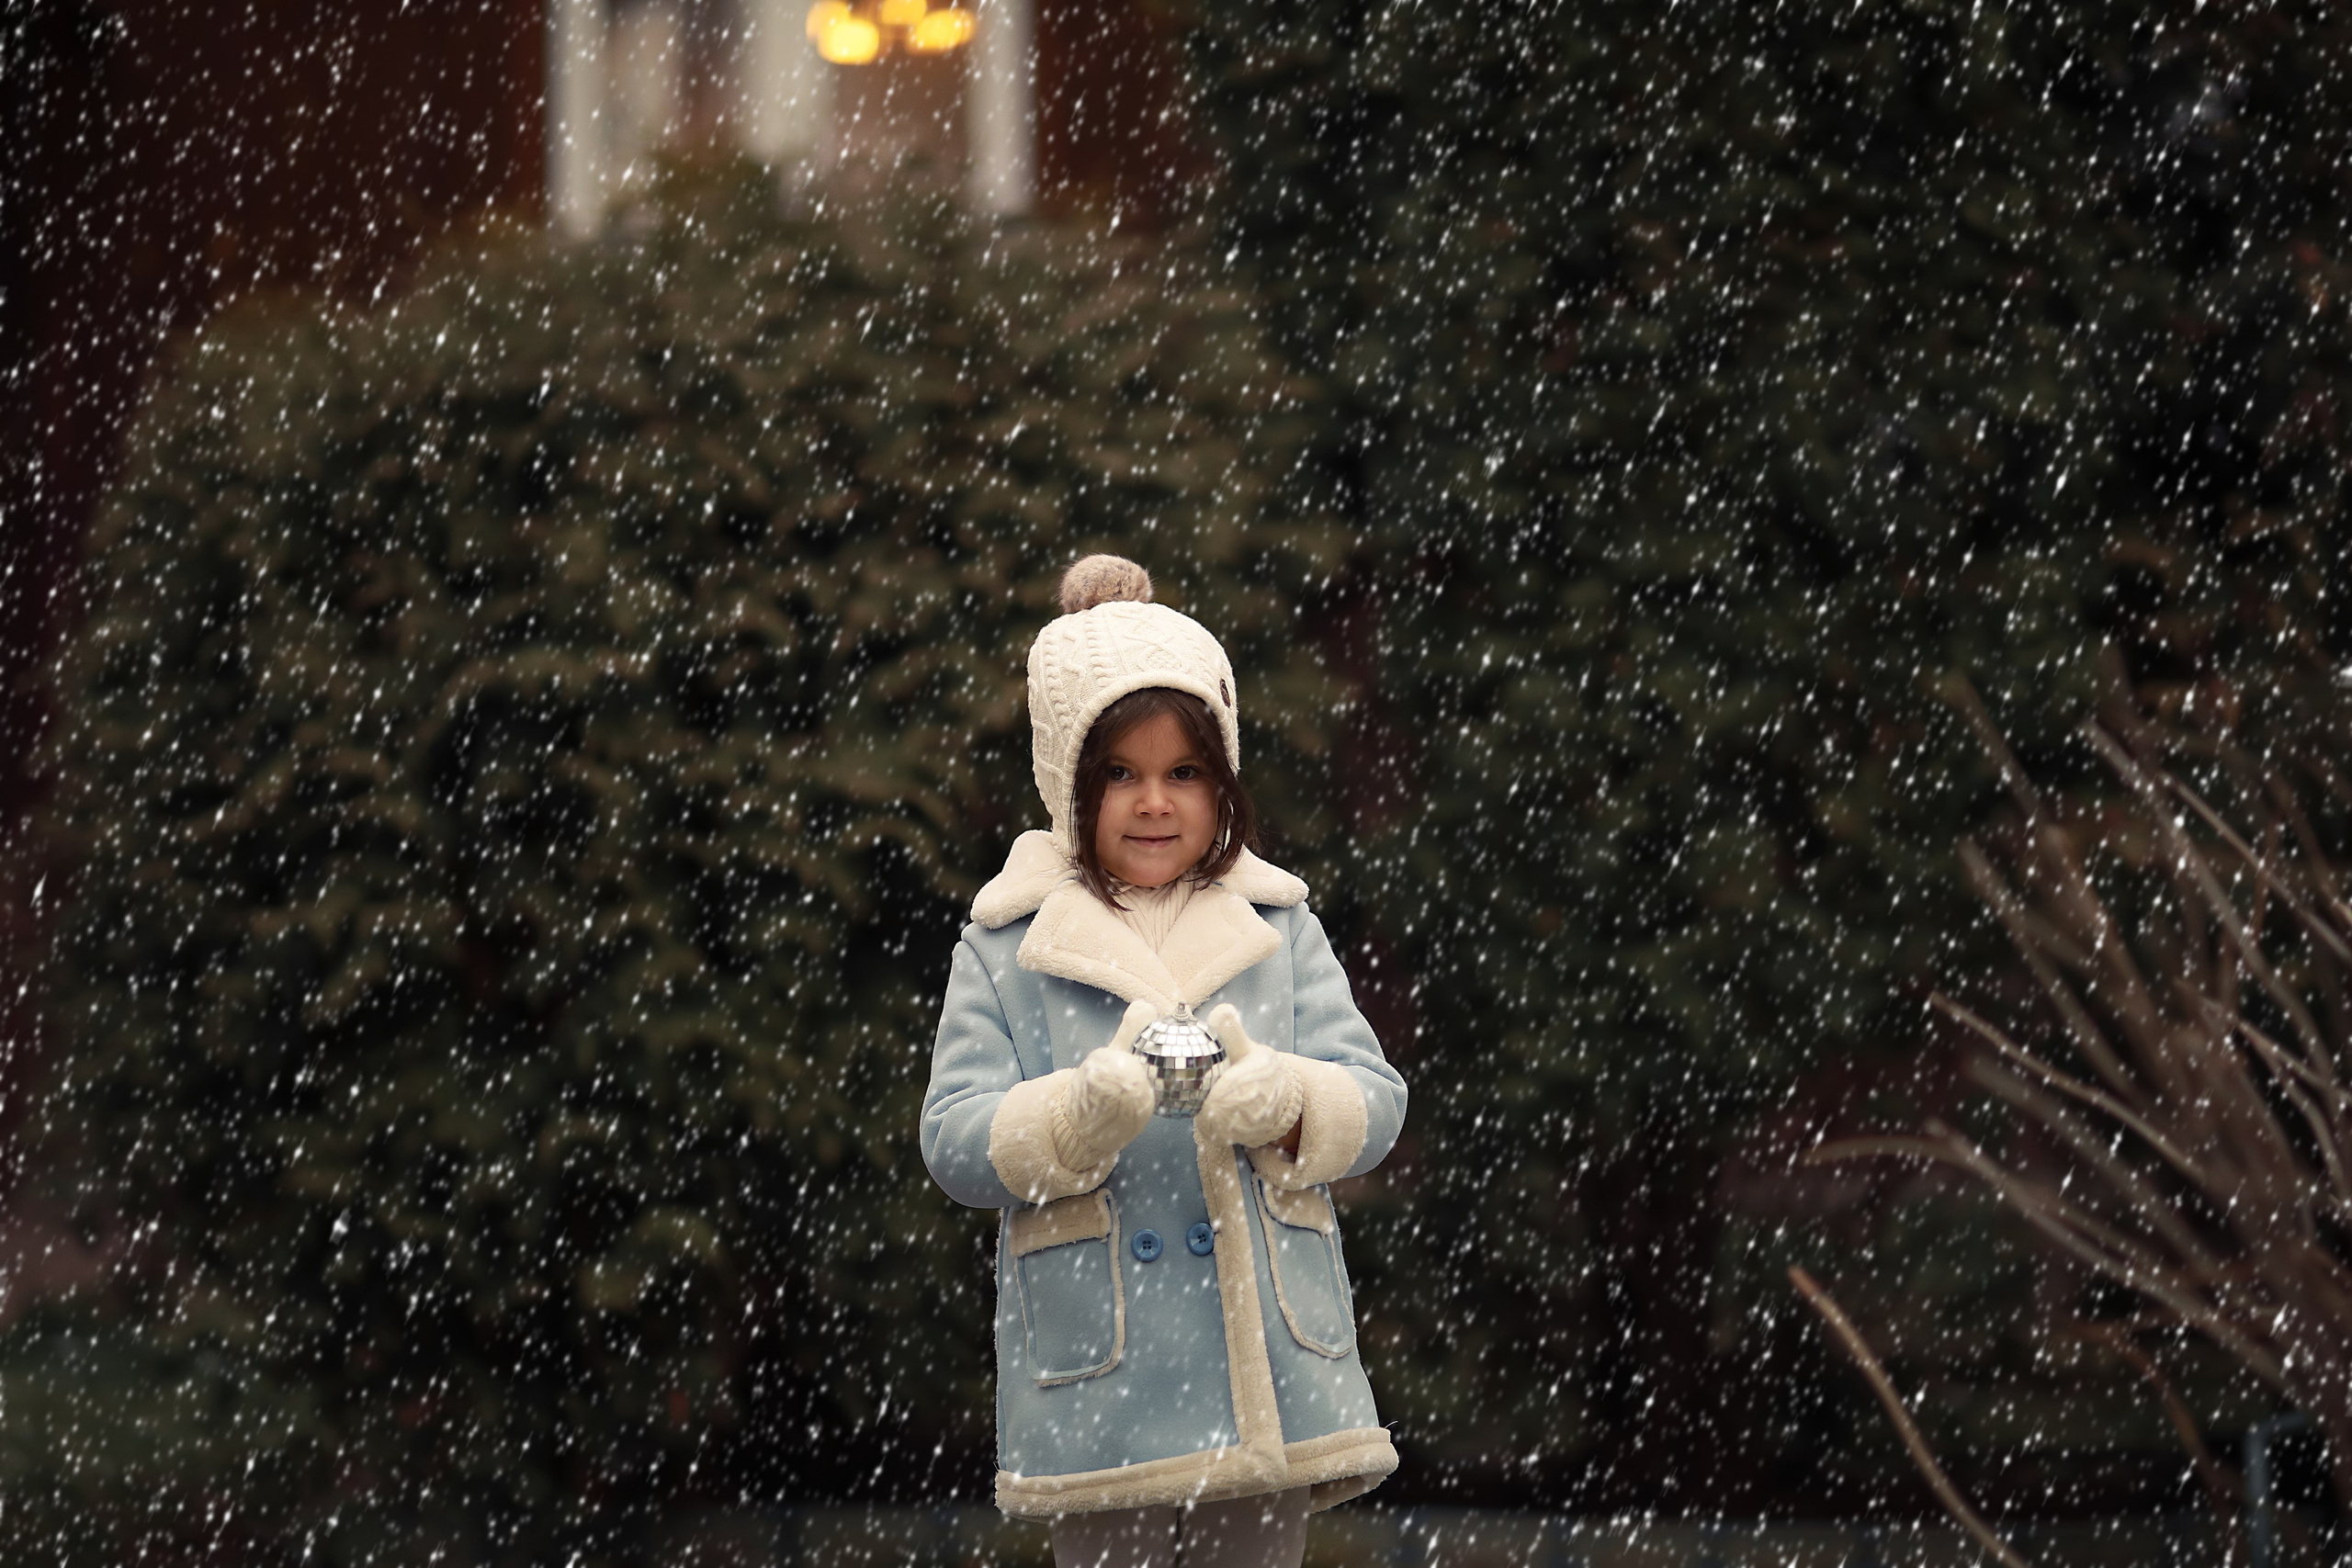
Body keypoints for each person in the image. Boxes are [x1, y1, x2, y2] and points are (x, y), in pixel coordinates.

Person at [921, 554, 1409, 1568]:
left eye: (1185, 772)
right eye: (1120, 774)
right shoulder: (1006, 946)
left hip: (1259, 1365)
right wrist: (1073, 1119)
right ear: (1068, 780)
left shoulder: (1279, 923)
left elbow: (1374, 1099)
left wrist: (1288, 1103)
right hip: (1103, 1365)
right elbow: (954, 1139)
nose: (1155, 803)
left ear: (1223, 778)